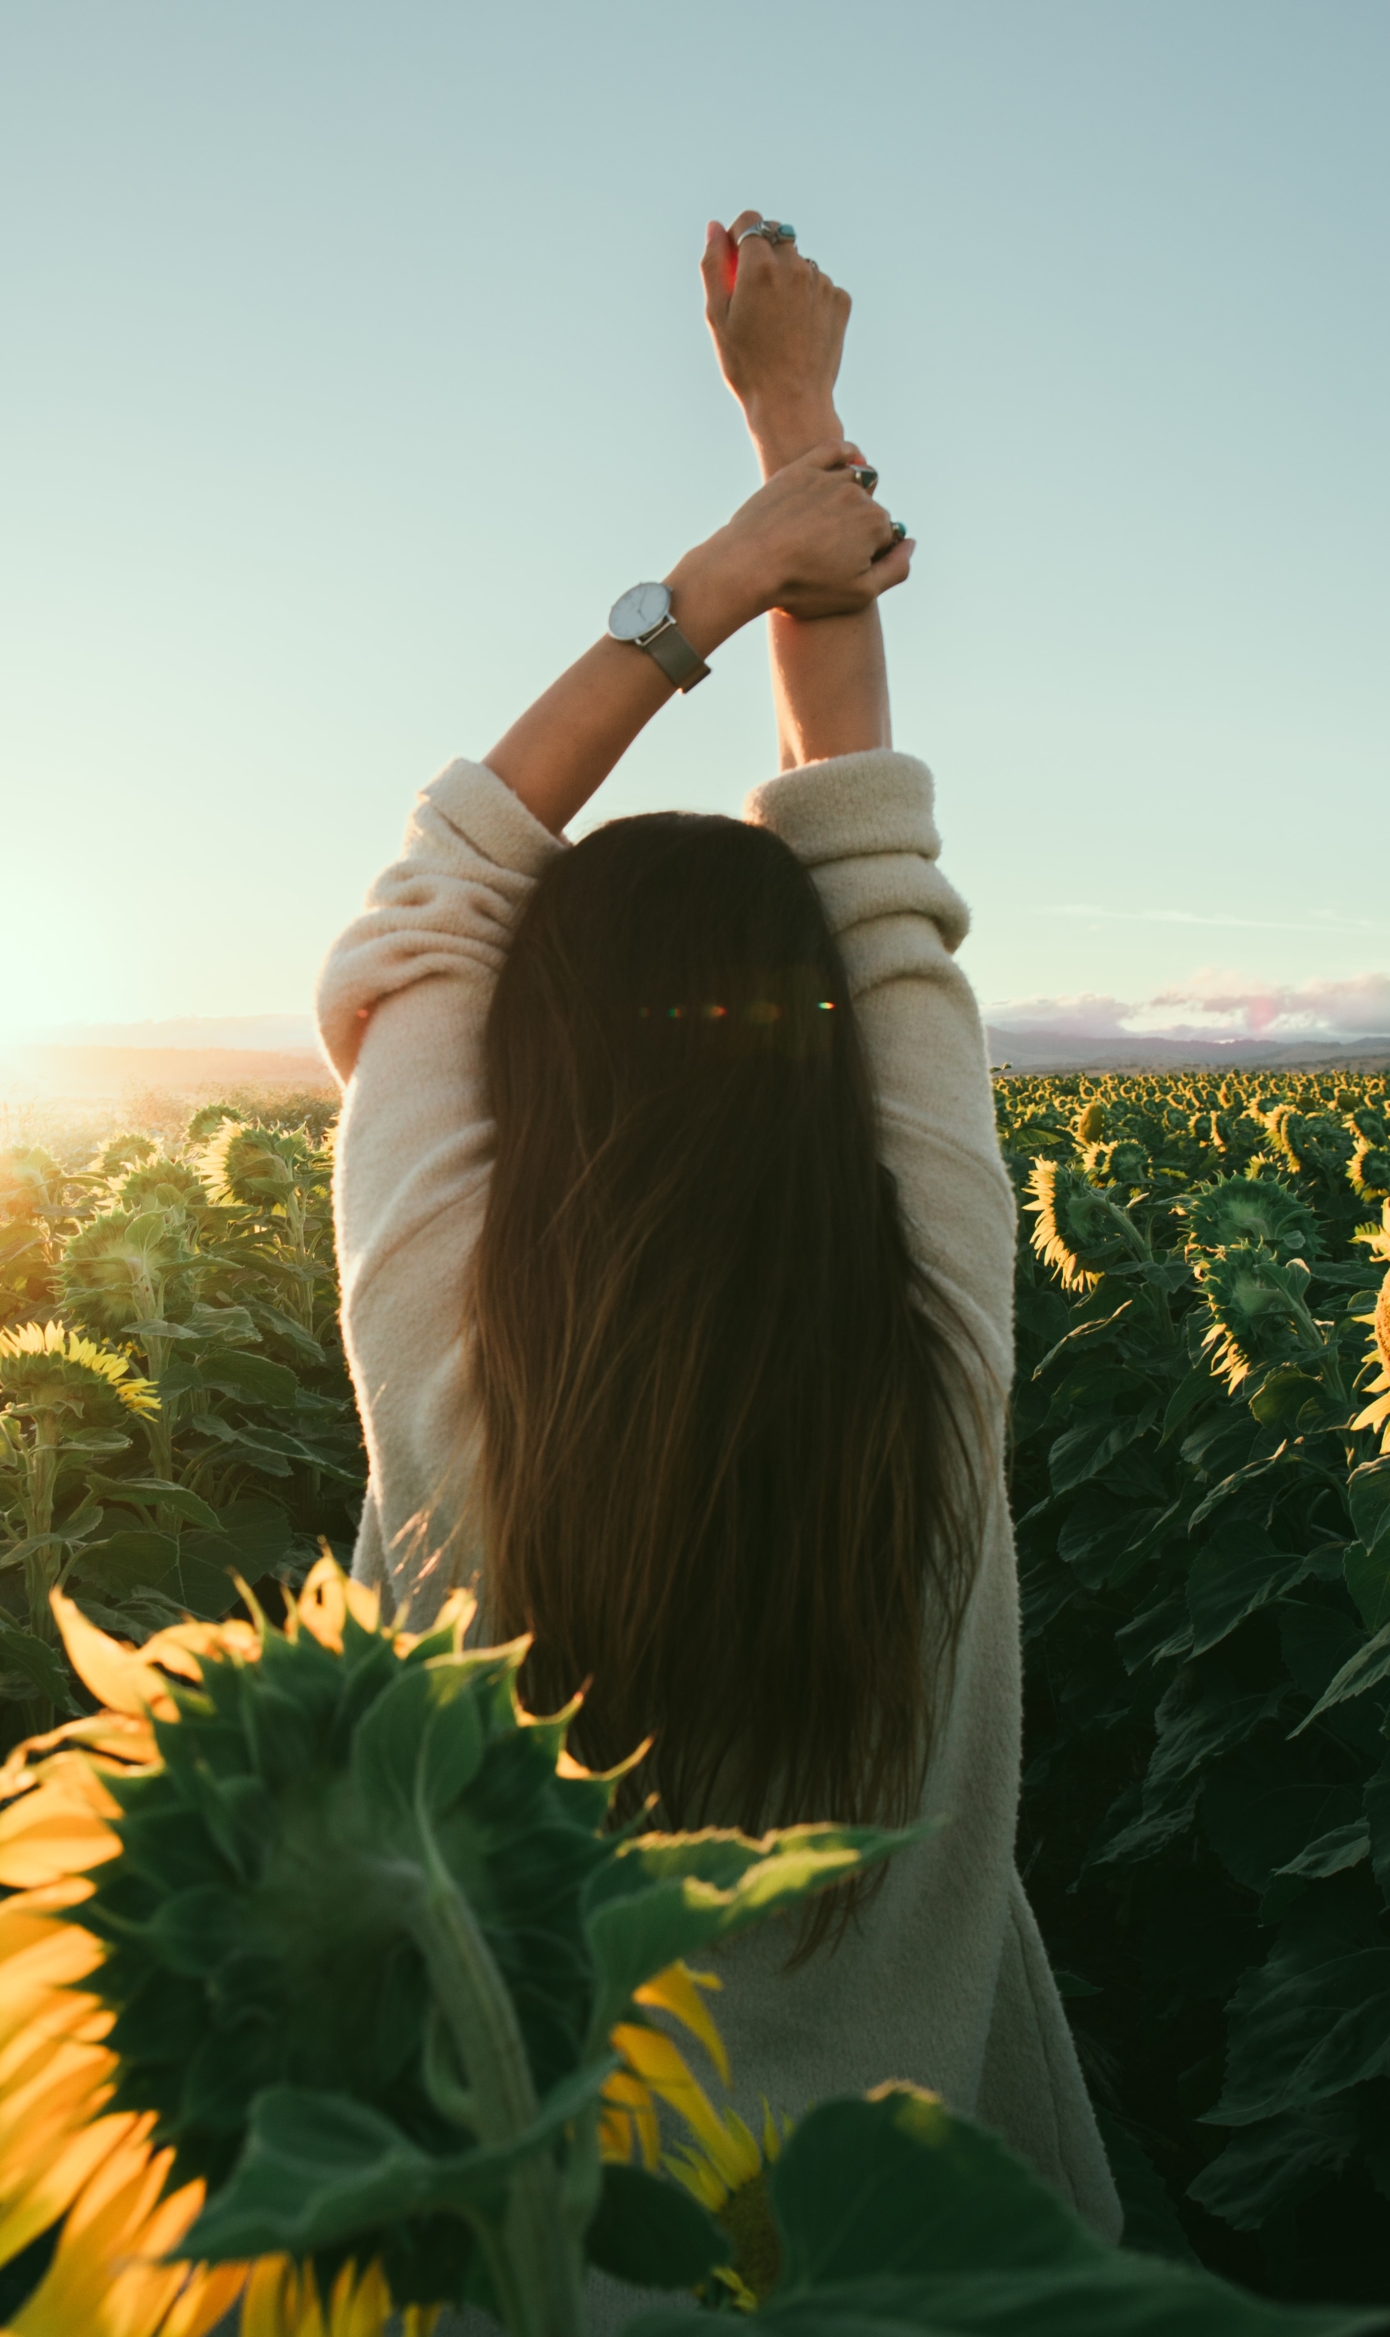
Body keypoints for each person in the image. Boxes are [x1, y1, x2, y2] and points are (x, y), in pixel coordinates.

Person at [314, 212, 1122, 2307]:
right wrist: (794, 427)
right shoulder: (937, 1320)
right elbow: (867, 846)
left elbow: (440, 885)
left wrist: (717, 570)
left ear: (521, 1074)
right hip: (944, 2265)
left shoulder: (444, 1367)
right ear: (833, 1063)